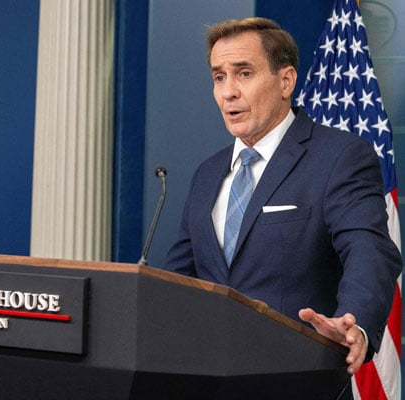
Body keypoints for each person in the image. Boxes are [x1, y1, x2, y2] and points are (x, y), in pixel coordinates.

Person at [162, 17, 401, 382]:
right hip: (209, 381)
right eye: (219, 77)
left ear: (285, 80)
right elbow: (177, 281)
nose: (228, 92)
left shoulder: (338, 157)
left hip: (297, 379)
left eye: (243, 73)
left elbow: (368, 249)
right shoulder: (207, 174)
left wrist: (355, 322)